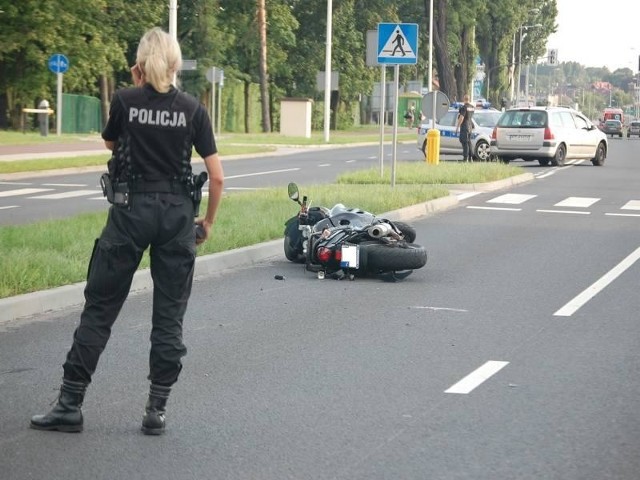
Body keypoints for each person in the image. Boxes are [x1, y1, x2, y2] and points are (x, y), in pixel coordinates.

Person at [30, 27, 224, 435]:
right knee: (169, 316)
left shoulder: (125, 100)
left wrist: (138, 97)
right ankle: (156, 411)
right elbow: (218, 177)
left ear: (139, 64)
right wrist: (205, 223)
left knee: (100, 308)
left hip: (129, 211)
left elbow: (111, 145)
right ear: (174, 63)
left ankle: (70, 403)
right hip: (175, 217)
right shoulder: (193, 109)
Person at [455, 94, 476, 162]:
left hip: (464, 126)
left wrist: (457, 127)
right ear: (469, 99)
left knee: (465, 142)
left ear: (464, 99)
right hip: (470, 126)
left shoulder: (464, 108)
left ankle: (465, 158)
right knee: (469, 142)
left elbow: (461, 118)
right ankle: (470, 158)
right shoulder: (472, 107)